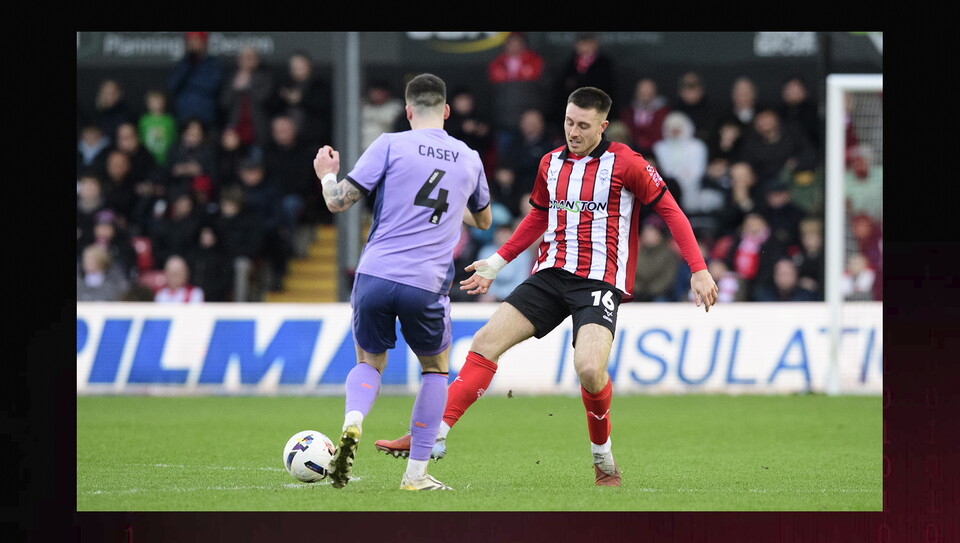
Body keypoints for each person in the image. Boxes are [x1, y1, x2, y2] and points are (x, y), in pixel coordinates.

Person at [374, 86, 718, 487]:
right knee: (485, 342)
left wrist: (698, 268)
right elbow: (538, 218)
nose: (573, 131)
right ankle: (431, 435)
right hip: (550, 274)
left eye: (583, 125)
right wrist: (497, 261)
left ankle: (602, 459)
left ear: (602, 126)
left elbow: (671, 210)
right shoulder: (550, 163)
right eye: (569, 122)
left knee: (590, 370)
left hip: (599, 281)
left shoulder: (627, 164)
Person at [312, 73, 492, 491]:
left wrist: (326, 173)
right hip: (426, 282)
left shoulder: (390, 144)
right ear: (446, 112)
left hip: (375, 273)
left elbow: (338, 202)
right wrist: (452, 207)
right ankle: (415, 475)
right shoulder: (469, 157)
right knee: (434, 370)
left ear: (408, 111)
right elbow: (483, 220)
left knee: (368, 362)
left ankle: (353, 421)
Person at [486, 32, 546, 157]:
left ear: (523, 44)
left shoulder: (536, 62)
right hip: (505, 123)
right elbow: (491, 96)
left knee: (533, 157)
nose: (514, 46)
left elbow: (544, 91)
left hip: (529, 122)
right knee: (505, 158)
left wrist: (536, 115)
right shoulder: (496, 64)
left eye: (517, 42)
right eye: (511, 43)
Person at [269, 50, 331, 150]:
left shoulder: (319, 86)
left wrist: (301, 100)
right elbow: (272, 107)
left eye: (301, 66)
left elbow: (322, 106)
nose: (298, 70)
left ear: (309, 66)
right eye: (295, 67)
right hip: (288, 142)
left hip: (313, 140)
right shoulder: (285, 85)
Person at [219, 46, 275, 153]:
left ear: (257, 60)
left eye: (251, 58)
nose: (247, 61)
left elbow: (265, 99)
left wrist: (248, 85)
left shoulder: (265, 76)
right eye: (245, 58)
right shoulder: (232, 77)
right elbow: (224, 103)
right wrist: (235, 87)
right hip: (236, 132)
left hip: (257, 131)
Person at [168, 31, 223, 132]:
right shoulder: (182, 63)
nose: (192, 43)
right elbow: (173, 85)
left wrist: (190, 83)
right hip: (184, 117)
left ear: (203, 42)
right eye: (190, 40)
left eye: (195, 40)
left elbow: (212, 86)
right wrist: (188, 64)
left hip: (206, 118)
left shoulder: (212, 64)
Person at [620, 77, 671, 156]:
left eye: (648, 91)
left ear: (655, 92)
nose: (645, 94)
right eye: (642, 91)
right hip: (632, 150)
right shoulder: (629, 112)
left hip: (657, 152)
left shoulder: (663, 112)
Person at [138, 89, 179, 167]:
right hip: (148, 157)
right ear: (148, 104)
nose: (157, 104)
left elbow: (174, 138)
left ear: (164, 102)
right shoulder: (144, 120)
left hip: (166, 157)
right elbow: (140, 138)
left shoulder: (169, 120)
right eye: (153, 101)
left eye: (159, 101)